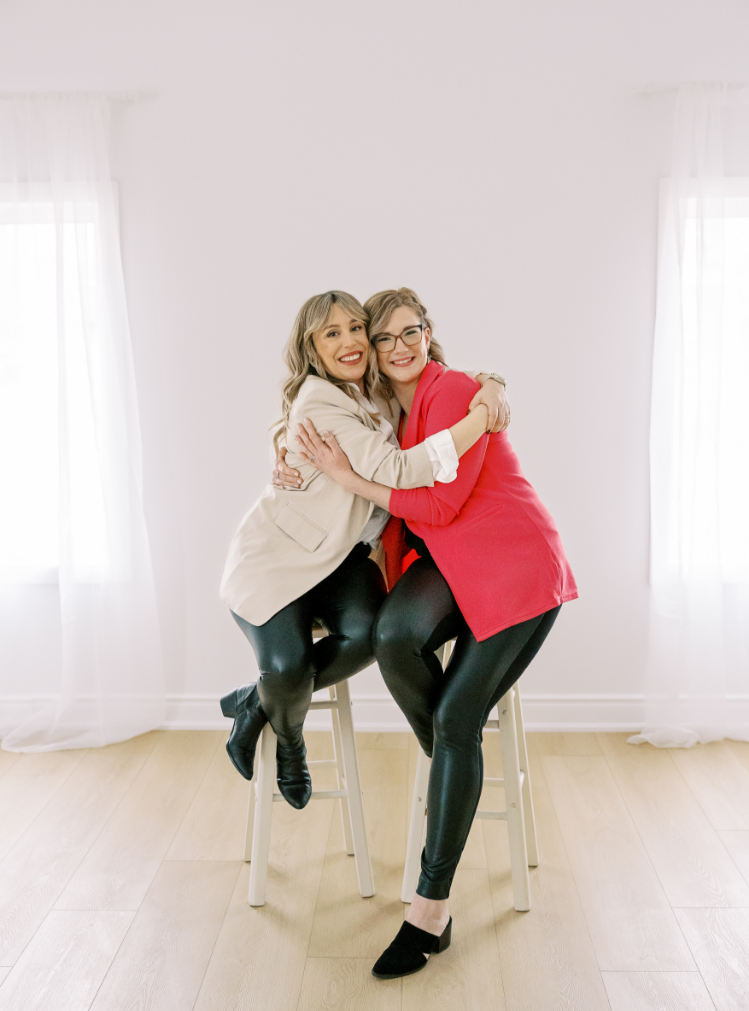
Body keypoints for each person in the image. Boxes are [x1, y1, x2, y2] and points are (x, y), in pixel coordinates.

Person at [292, 286, 577, 979]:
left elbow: (442, 500)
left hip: (512, 564)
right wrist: (294, 461)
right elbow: (321, 424)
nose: (395, 346)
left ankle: (429, 909)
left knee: (454, 719)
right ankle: (458, 759)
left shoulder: (451, 393)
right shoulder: (390, 405)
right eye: (381, 337)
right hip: (452, 560)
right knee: (394, 638)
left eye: (407, 332)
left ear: (428, 331)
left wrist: (348, 478)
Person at [219, 290, 509, 810]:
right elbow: (399, 471)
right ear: (311, 347)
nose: (350, 342)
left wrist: (491, 384)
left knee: (373, 634)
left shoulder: (369, 389)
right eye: (333, 333)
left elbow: (432, 373)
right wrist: (479, 420)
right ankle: (289, 740)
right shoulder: (321, 399)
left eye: (357, 329)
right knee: (285, 669)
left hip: (341, 559)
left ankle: (258, 703)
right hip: (278, 560)